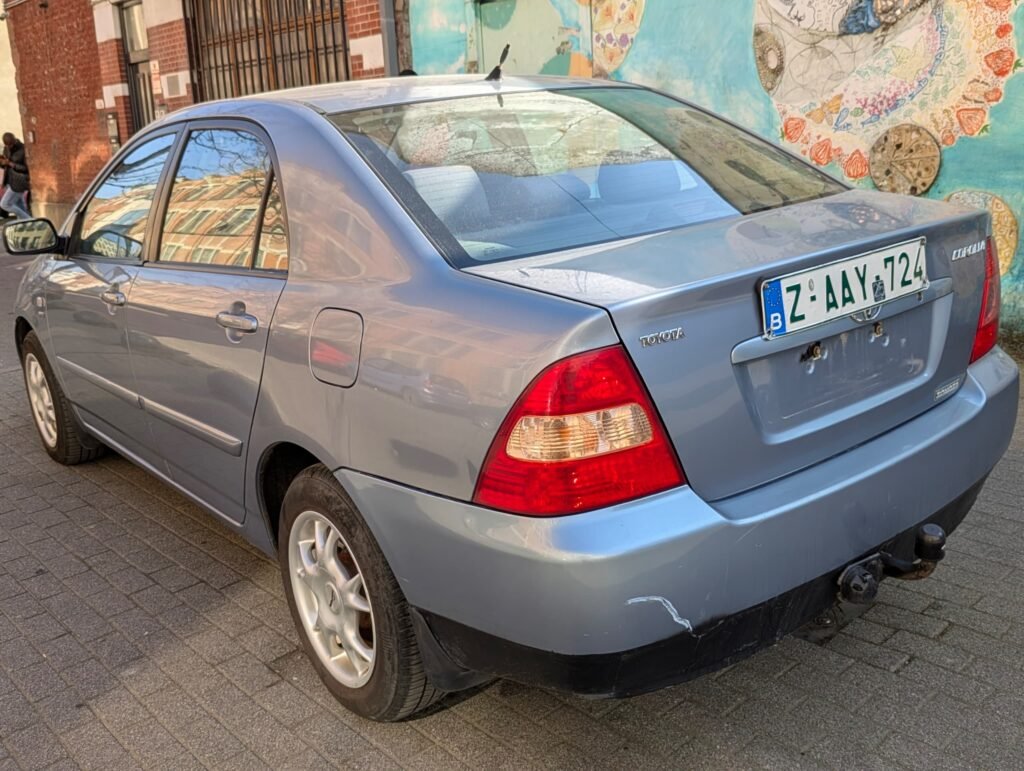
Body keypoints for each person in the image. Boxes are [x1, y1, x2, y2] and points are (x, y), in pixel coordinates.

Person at [0, 133, 31, 220]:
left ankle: (29, 220)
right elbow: (5, 165)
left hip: (19, 182)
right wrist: (2, 163)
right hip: (10, 181)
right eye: (7, 145)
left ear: (14, 140)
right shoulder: (6, 149)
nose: (9, 147)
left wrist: (11, 164)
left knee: (5, 204)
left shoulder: (23, 149)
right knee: (20, 206)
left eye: (10, 144)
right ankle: (28, 224)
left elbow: (26, 169)